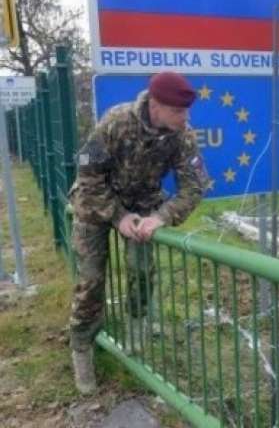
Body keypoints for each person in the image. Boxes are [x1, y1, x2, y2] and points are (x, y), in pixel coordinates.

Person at [69, 72, 208, 394]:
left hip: (144, 206)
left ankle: (136, 329)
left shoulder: (182, 135)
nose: (185, 118)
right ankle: (81, 347)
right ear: (156, 106)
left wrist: (161, 216)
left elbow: (195, 185)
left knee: (143, 273)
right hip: (95, 205)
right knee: (90, 281)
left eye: (186, 111)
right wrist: (117, 216)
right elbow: (87, 173)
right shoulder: (114, 122)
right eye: (178, 111)